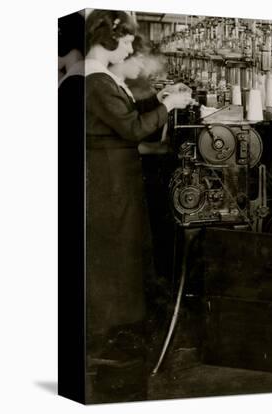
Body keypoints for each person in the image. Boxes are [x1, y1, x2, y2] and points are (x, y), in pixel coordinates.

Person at [84, 10, 192, 400]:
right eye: (127, 40)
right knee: (116, 254)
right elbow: (130, 129)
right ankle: (109, 342)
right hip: (109, 179)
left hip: (117, 174)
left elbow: (127, 119)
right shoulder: (94, 81)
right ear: (108, 38)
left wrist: (160, 100)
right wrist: (171, 105)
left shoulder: (103, 79)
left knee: (123, 252)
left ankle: (116, 336)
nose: (130, 47)